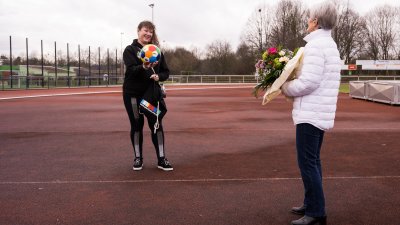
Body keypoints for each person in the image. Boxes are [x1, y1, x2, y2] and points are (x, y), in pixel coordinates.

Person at [281, 2, 340, 225]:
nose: (307, 21)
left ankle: (316, 212)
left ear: (315, 22)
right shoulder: (329, 45)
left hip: (311, 112)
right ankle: (311, 202)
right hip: (318, 111)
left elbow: (309, 82)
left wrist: (284, 87)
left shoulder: (316, 46)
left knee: (307, 162)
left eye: (309, 18)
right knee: (312, 161)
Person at [122, 20, 173, 171]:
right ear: (138, 31)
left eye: (151, 31)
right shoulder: (130, 50)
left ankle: (162, 159)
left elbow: (165, 72)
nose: (148, 33)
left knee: (156, 124)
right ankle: (138, 158)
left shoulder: (156, 51)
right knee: (137, 125)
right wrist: (143, 66)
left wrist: (159, 77)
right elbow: (131, 70)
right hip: (133, 96)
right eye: (145, 30)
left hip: (150, 97)